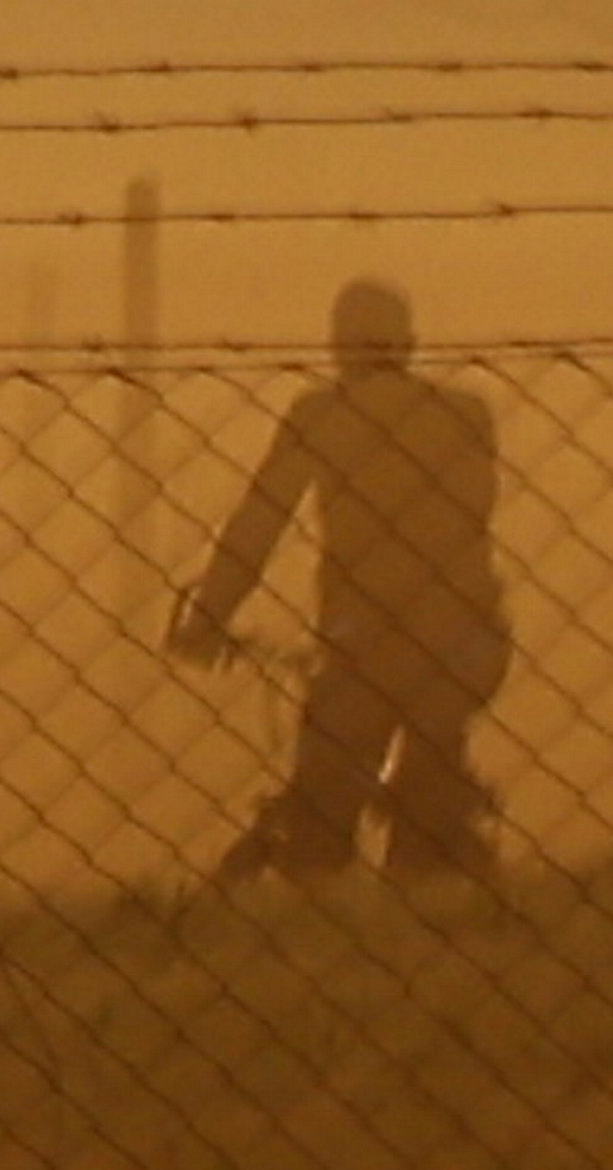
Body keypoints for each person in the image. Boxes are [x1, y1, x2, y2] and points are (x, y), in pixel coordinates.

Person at [170, 279, 509, 882]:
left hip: (363, 638)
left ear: (335, 346)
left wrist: (209, 616)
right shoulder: (466, 415)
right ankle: (434, 882)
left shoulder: (321, 416)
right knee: (432, 786)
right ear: (409, 343)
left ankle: (317, 900)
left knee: (323, 806)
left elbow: (260, 521)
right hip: (465, 634)